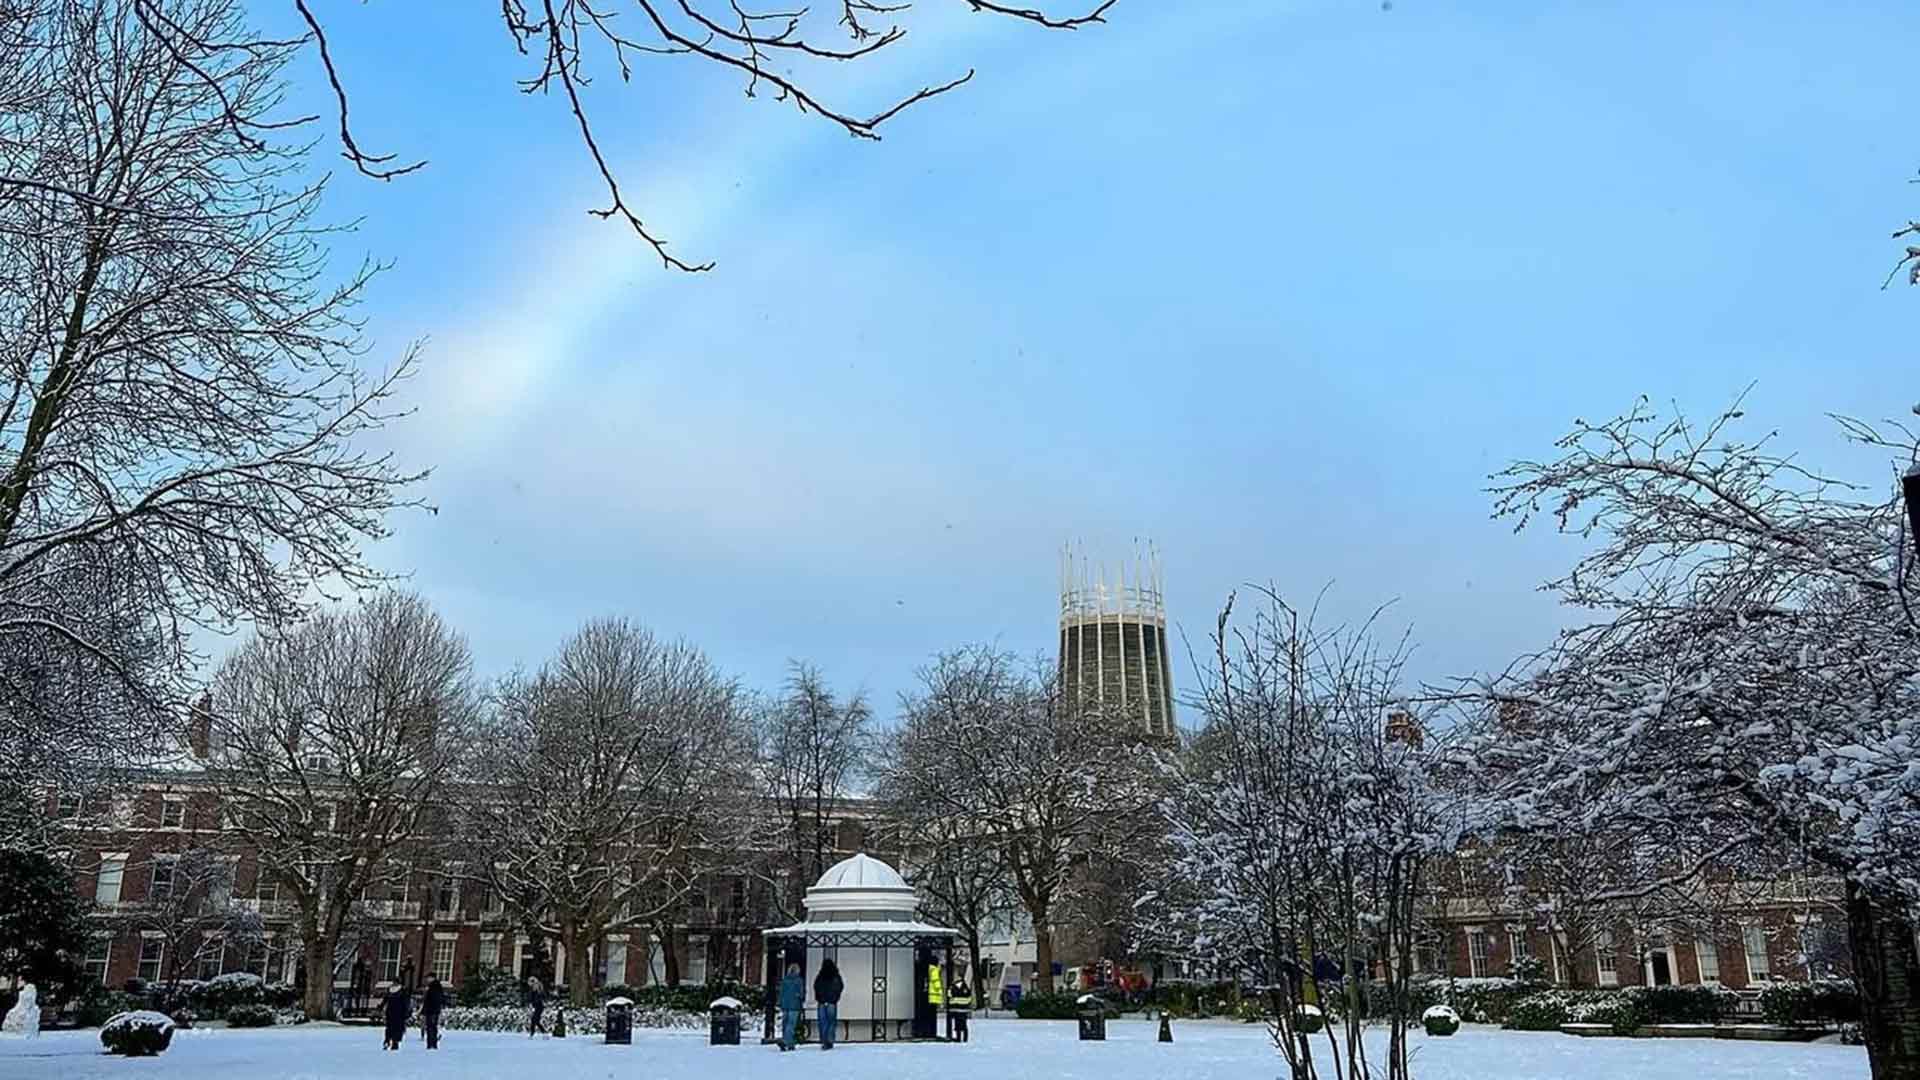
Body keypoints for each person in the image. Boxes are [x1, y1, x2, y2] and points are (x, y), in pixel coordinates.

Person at [813, 958, 844, 1051]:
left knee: (823, 1022)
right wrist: (836, 997)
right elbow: (840, 986)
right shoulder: (836, 976)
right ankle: (829, 1040)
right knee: (831, 1022)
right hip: (831, 1002)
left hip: (822, 1002)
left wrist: (819, 997)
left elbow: (816, 986)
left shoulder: (820, 976)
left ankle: (823, 1040)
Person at [777, 962, 805, 1051]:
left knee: (785, 1024)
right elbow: (801, 994)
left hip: (785, 1005)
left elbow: (781, 992)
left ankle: (789, 1042)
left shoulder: (785, 980)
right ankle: (787, 1041)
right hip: (794, 1005)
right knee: (791, 1025)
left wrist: (780, 1002)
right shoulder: (799, 980)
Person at [946, 966, 973, 1043]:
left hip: (956, 1009)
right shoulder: (965, 987)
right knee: (963, 1025)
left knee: (958, 1025)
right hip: (963, 1010)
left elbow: (949, 996)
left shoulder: (953, 987)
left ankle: (959, 1038)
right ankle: (964, 1038)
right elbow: (969, 998)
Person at [381, 984, 412, 1051]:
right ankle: (395, 1042)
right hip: (400, 1013)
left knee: (389, 1027)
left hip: (390, 1011)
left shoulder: (389, 991)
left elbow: (384, 1000)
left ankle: (387, 1040)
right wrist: (407, 1013)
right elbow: (406, 1003)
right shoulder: (403, 992)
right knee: (398, 1028)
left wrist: (381, 1007)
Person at [422, 976, 447, 1050]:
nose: (427, 980)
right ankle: (432, 1043)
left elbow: (432, 999)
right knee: (432, 1026)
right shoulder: (435, 987)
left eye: (428, 978)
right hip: (433, 1009)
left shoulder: (434, 987)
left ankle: (431, 1043)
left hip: (432, 1010)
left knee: (431, 1027)